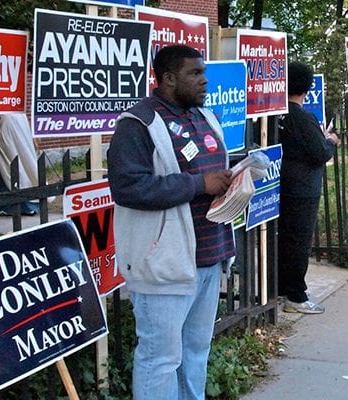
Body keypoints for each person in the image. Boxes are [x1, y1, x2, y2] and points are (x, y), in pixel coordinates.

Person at [107, 45, 235, 400]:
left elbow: (211, 172)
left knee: (195, 354)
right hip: (164, 263)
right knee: (160, 359)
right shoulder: (138, 123)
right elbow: (129, 186)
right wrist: (199, 184)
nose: (205, 80)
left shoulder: (204, 117)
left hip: (210, 256)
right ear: (166, 79)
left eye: (203, 72)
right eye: (194, 73)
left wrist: (234, 182)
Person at [278, 61, 339, 314]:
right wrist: (331, 141)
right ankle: (296, 294)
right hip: (303, 189)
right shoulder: (303, 117)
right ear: (306, 88)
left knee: (283, 240)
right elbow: (319, 152)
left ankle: (281, 287)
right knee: (299, 242)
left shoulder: (276, 115)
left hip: (282, 184)